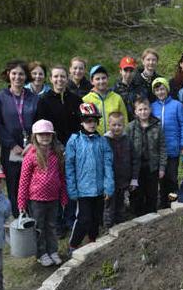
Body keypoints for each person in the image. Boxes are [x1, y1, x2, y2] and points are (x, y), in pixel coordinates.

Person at [35, 65, 82, 236]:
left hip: (73, 148)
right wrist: (54, 146)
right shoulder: (44, 101)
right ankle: (57, 222)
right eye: (56, 77)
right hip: (52, 149)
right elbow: (40, 126)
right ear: (51, 79)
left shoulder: (75, 100)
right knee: (55, 184)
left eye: (62, 76)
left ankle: (70, 218)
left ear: (67, 77)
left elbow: (80, 125)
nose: (59, 80)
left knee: (69, 183)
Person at [17, 120, 68, 267]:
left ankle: (53, 251)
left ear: (52, 136)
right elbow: (23, 181)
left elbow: (62, 177)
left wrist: (63, 197)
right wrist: (21, 203)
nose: (45, 137)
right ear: (35, 136)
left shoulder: (57, 154)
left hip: (53, 198)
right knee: (39, 227)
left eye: (48, 134)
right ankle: (41, 253)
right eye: (41, 135)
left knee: (52, 226)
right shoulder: (30, 156)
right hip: (36, 200)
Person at [65, 103, 114, 253]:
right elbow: (69, 166)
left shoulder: (103, 141)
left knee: (96, 218)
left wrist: (108, 186)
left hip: (99, 188)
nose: (91, 124)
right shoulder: (74, 141)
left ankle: (92, 240)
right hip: (83, 190)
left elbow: (108, 165)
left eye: (94, 120)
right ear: (81, 122)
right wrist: (72, 189)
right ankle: (73, 244)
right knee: (84, 218)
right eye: (88, 120)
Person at [0, 59, 38, 218]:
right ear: (8, 75)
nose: (17, 77)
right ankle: (20, 220)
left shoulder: (34, 98)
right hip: (11, 151)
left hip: (32, 149)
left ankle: (34, 219)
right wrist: (12, 145)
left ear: (26, 77)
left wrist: (33, 143)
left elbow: (39, 122)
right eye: (14, 73)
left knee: (33, 185)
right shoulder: (0, 98)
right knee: (14, 186)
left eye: (21, 74)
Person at [150, 77, 183, 208]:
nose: (160, 92)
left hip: (173, 147)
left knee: (172, 176)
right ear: (154, 92)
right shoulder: (152, 107)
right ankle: (162, 202)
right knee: (161, 176)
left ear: (167, 89)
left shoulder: (177, 105)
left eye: (162, 89)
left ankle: (174, 200)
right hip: (158, 150)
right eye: (157, 90)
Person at [127, 97, 167, 216]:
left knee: (152, 193)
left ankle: (151, 215)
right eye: (140, 110)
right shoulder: (130, 127)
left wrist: (162, 167)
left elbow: (163, 147)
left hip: (152, 166)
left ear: (150, 109)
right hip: (136, 168)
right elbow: (127, 148)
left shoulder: (157, 126)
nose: (143, 112)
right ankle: (137, 216)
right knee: (137, 194)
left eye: (145, 109)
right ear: (135, 112)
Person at [104, 112, 137, 227]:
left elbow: (134, 159)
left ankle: (120, 224)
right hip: (110, 180)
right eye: (114, 125)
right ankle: (108, 225)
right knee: (109, 204)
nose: (117, 128)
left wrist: (134, 178)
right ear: (109, 125)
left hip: (124, 179)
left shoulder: (128, 140)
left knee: (121, 202)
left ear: (124, 125)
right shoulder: (105, 141)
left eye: (119, 125)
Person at [82, 64, 128, 135]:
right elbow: (84, 122)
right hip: (95, 140)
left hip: (114, 139)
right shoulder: (86, 100)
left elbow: (124, 119)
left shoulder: (117, 98)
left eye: (103, 78)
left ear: (108, 79)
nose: (101, 81)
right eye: (97, 79)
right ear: (92, 81)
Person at [113, 56, 138, 122]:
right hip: (120, 125)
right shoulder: (114, 90)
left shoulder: (140, 88)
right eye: (125, 70)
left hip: (137, 125)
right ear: (120, 71)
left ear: (134, 72)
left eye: (131, 71)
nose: (128, 74)